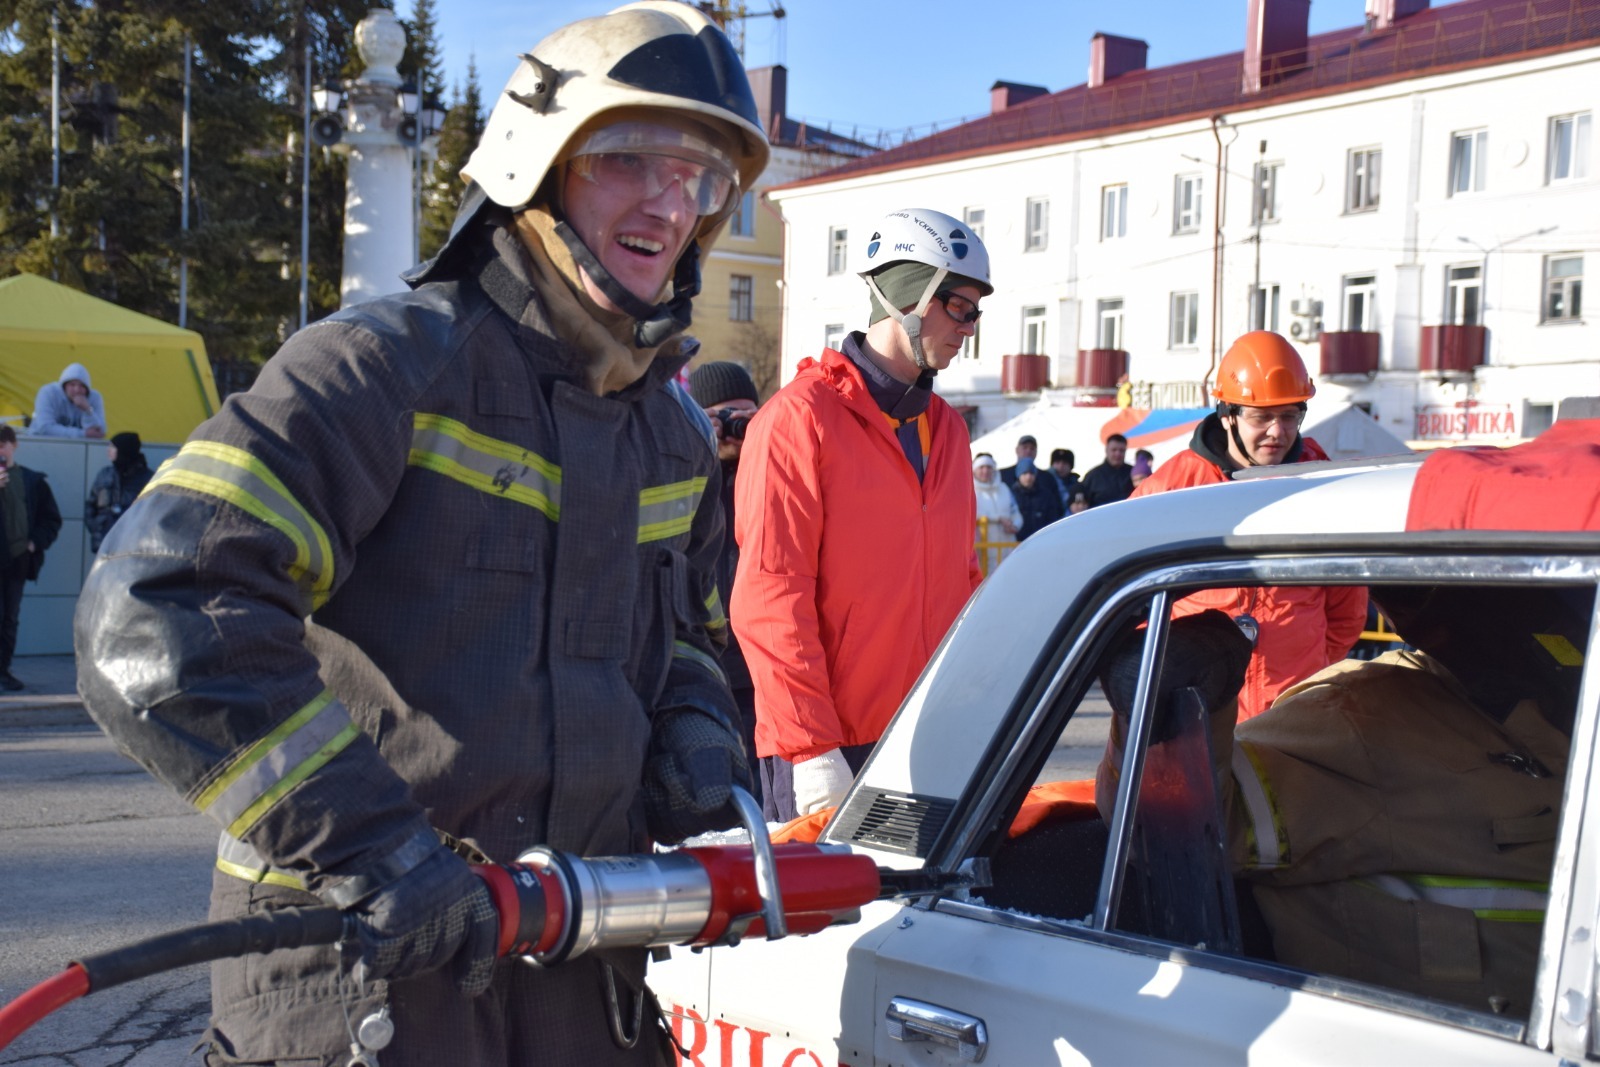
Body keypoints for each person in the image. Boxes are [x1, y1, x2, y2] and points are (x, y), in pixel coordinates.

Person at [74, 5, 767, 1064]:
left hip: (579, 966)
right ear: (537, 166)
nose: (670, 204)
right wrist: (377, 849)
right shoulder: (379, 368)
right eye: (630, 159)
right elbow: (157, 609)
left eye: (702, 177)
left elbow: (689, 635)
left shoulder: (669, 433)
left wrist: (695, 726)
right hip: (354, 970)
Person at [1097, 583, 1584, 1019]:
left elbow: (1344, 617)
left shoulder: (1572, 713)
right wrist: (1175, 703)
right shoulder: (1370, 719)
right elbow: (1180, 828)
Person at [732, 206, 988, 821]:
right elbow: (771, 596)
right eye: (959, 306)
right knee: (836, 919)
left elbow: (962, 582)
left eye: (977, 311)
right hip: (830, 748)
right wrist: (809, 748)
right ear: (906, 294)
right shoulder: (799, 421)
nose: (970, 327)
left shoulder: (947, 430)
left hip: (925, 737)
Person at [1133, 330, 1366, 719]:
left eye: (1289, 416)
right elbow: (1130, 600)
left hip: (1294, 712)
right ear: (1228, 416)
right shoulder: (1172, 490)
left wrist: (1314, 665)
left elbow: (1347, 606)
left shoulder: (1323, 489)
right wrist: (1165, 673)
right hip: (1197, 710)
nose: (1277, 432)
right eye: (1262, 417)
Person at [686, 359, 762, 802]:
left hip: (759, 670)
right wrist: (701, 447)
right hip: (703, 664)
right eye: (723, 417)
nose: (736, 429)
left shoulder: (772, 471)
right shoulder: (685, 472)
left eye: (746, 417)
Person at [0, 426, 61, 692]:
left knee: (10, 618)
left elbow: (51, 519)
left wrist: (35, 542)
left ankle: (2, 670)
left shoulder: (32, 481)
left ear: (14, 446)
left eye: (3, 444)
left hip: (18, 559)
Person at [85, 431, 154, 553]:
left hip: (132, 546)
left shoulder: (147, 479)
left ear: (124, 450)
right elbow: (91, 505)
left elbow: (152, 512)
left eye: (112, 447)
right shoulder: (104, 474)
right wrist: (96, 527)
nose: (108, 450)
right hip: (103, 544)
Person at [973, 452, 1022, 572]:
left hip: (1006, 547)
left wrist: (1015, 525)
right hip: (983, 550)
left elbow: (1015, 512)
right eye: (981, 467)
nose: (985, 471)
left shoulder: (1004, 488)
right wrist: (998, 519)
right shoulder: (970, 490)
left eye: (989, 467)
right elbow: (972, 514)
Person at [31, 362, 107, 439]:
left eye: (82, 386)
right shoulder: (48, 393)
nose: (77, 390)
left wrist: (87, 410)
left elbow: (99, 432)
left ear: (87, 389)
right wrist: (83, 434)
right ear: (64, 386)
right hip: (41, 444)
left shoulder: (94, 397)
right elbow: (44, 428)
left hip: (78, 448)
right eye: (72, 385)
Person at [1011, 456, 1063, 541]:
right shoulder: (1011, 495)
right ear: (1018, 475)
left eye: (1031, 473)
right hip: (1016, 544)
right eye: (1024, 473)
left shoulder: (1046, 496)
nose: (1028, 477)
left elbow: (1052, 520)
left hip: (1040, 542)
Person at [1080, 432, 1133, 507]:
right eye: (1114, 450)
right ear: (1106, 450)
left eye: (1121, 450)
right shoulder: (1093, 476)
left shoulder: (1134, 473)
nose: (1118, 454)